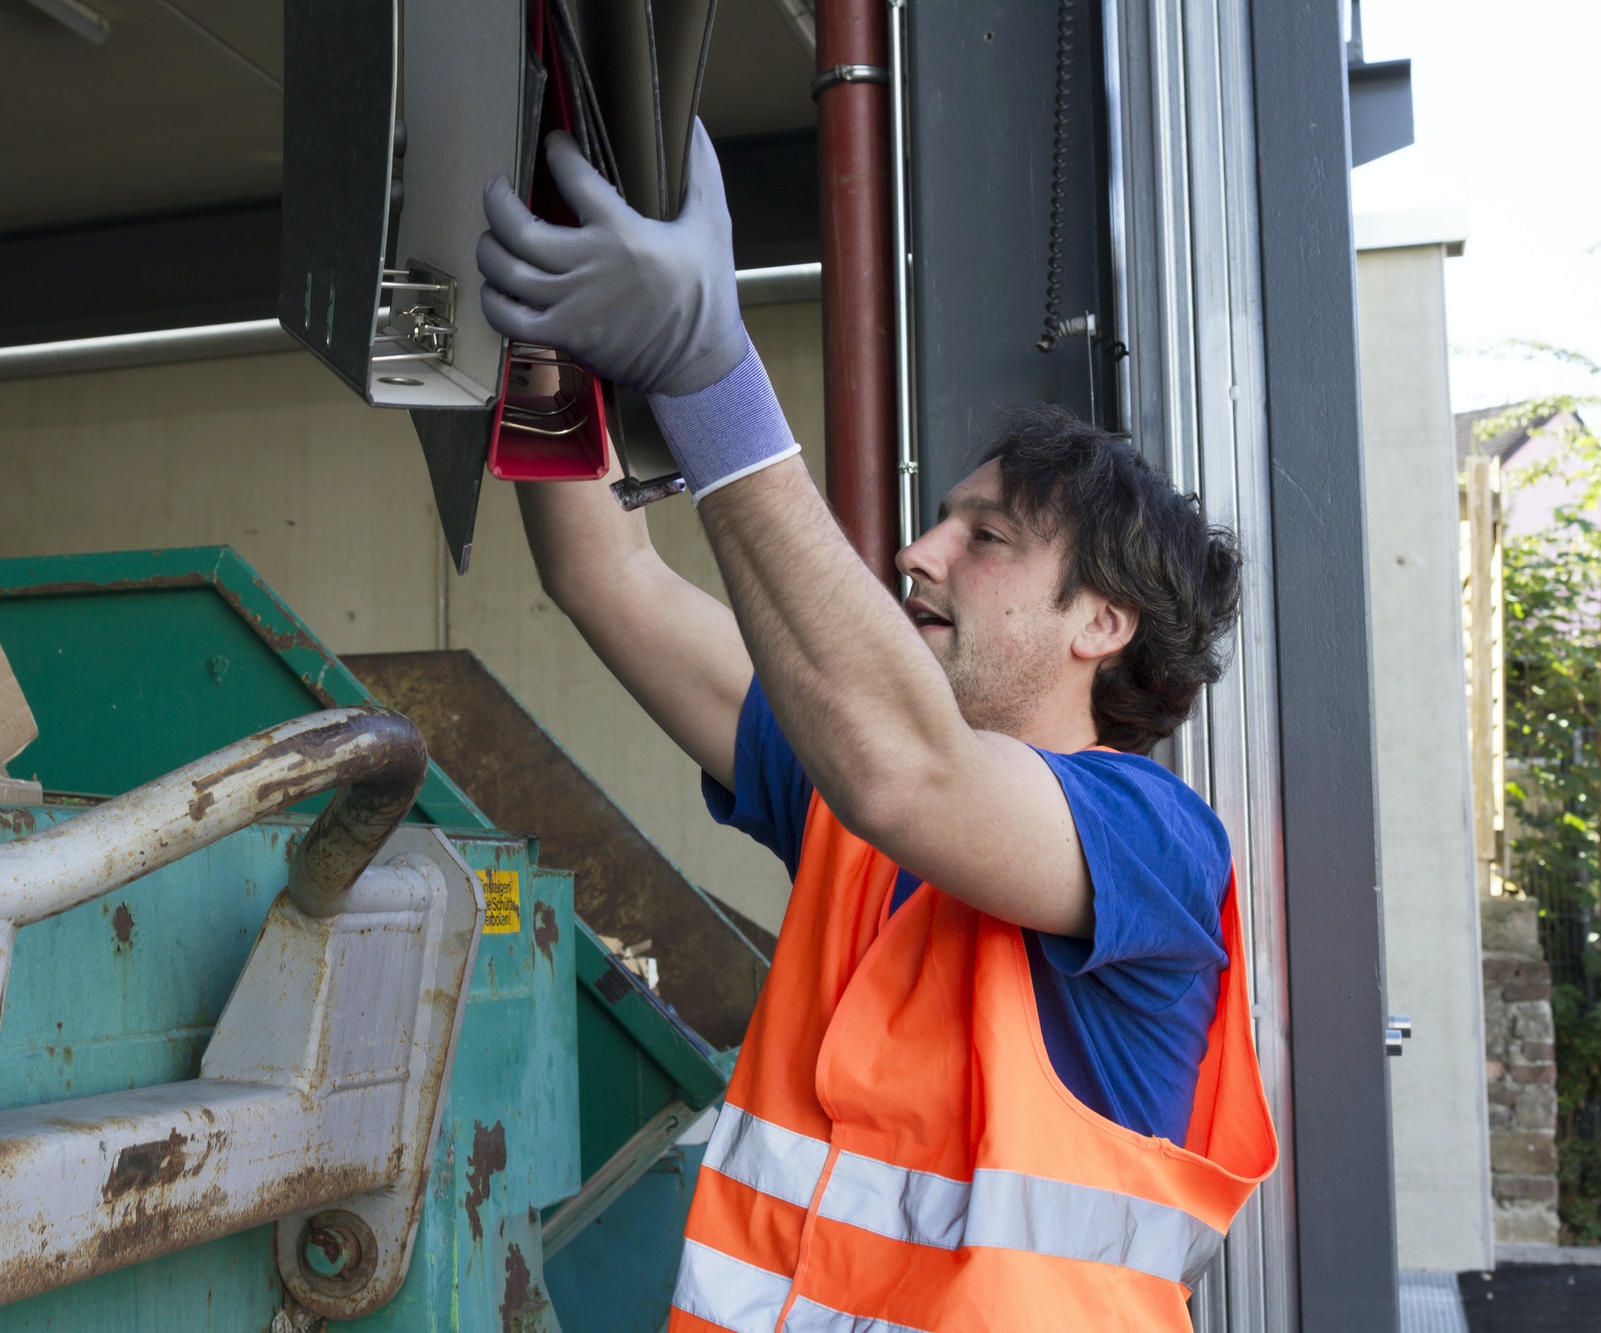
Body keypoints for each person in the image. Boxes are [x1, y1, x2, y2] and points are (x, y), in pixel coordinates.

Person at [477, 122, 1277, 1331]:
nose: (916, 551)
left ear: (1101, 624)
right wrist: (549, 369)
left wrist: (707, 373)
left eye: (984, 536)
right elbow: (611, 582)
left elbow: (910, 774)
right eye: (937, 519)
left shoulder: (1152, 842)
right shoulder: (855, 806)